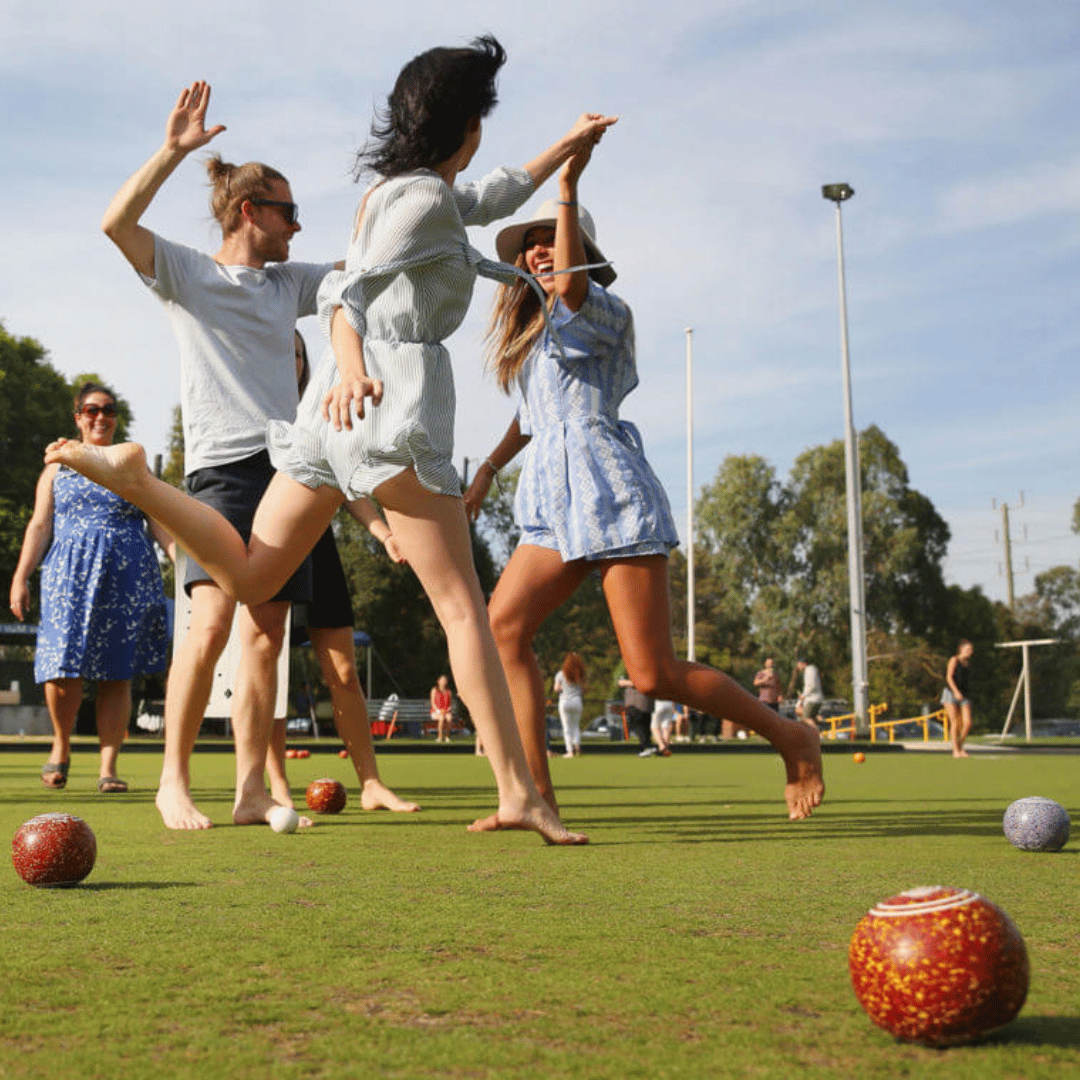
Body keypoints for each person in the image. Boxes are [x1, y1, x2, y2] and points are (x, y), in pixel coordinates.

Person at [48, 36, 613, 844]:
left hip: (323, 420)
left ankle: (138, 481)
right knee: (462, 610)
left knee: (248, 581)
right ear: (465, 123)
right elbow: (349, 291)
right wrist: (349, 367)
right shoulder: (415, 203)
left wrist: (569, 151)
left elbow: (489, 195)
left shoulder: (410, 199)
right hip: (383, 400)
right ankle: (519, 791)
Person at [463, 134, 824, 820]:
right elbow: (533, 419)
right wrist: (484, 469)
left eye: (550, 237)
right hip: (549, 502)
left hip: (608, 490)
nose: (538, 249)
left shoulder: (599, 306)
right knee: (501, 630)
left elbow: (568, 285)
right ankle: (534, 798)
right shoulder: (534, 337)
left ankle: (791, 735)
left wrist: (566, 189)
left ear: (581, 249)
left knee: (653, 671)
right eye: (529, 243)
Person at [100, 80, 339, 829]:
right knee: (209, 624)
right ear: (250, 212)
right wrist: (173, 150)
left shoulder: (287, 284)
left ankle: (249, 791)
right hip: (218, 474)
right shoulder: (188, 274)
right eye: (288, 212)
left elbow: (360, 276)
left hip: (286, 472)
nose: (298, 227)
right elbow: (116, 222)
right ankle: (172, 780)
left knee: (267, 635)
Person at [265, 332, 419, 812]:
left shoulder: (320, 408)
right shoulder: (255, 408)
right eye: (279, 353)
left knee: (345, 670)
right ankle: (276, 786)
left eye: (295, 353)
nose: (288, 361)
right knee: (270, 667)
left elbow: (344, 482)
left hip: (319, 545)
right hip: (269, 544)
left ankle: (371, 784)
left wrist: (383, 530)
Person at [9, 382, 172, 793]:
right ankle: (60, 747)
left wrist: (187, 566)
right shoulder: (56, 468)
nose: (101, 417)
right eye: (91, 410)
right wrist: (20, 577)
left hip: (127, 577)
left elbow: (159, 519)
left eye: (109, 410)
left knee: (117, 673)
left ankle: (108, 767)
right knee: (61, 666)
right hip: (68, 576)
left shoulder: (132, 465)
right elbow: (40, 525)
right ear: (78, 417)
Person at [942, 639, 975, 759]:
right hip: (950, 693)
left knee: (967, 723)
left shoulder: (967, 663)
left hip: (964, 695)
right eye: (968, 649)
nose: (970, 652)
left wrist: (965, 695)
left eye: (971, 650)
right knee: (955, 722)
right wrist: (955, 692)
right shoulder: (954, 660)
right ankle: (956, 750)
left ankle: (959, 745)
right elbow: (949, 677)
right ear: (961, 649)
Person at [553, 652, 585, 757]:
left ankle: (570, 751)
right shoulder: (580, 674)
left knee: (567, 727)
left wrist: (563, 688)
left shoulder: (560, 674)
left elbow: (556, 689)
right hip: (577, 701)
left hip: (565, 702)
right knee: (576, 726)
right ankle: (577, 746)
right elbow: (583, 689)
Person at [619, 677, 656, 757]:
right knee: (644, 726)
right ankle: (645, 748)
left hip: (638, 704)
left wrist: (626, 682)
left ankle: (647, 746)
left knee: (637, 724)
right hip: (643, 703)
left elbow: (644, 682)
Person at [795, 659, 824, 730]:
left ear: (803, 663)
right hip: (814, 699)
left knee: (805, 718)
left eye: (798, 664)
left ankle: (817, 733)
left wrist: (803, 695)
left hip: (813, 699)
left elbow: (811, 686)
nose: (797, 666)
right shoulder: (810, 670)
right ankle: (821, 720)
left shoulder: (810, 670)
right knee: (811, 717)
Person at [429, 675, 454, 743]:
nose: (443, 682)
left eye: (445, 680)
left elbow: (450, 704)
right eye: (442, 680)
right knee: (441, 718)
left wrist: (448, 709)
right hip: (435, 711)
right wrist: (438, 711)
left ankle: (447, 737)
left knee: (449, 718)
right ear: (438, 681)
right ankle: (439, 737)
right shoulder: (434, 690)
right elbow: (433, 703)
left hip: (446, 711)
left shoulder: (449, 691)